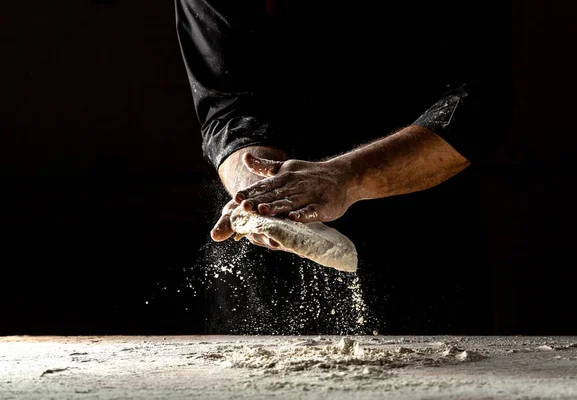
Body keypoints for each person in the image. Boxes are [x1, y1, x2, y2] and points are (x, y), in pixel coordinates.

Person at [175, 0, 514, 334]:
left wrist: (346, 177)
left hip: (422, 244)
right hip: (272, 256)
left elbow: (480, 103)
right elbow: (226, 105)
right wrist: (257, 195)